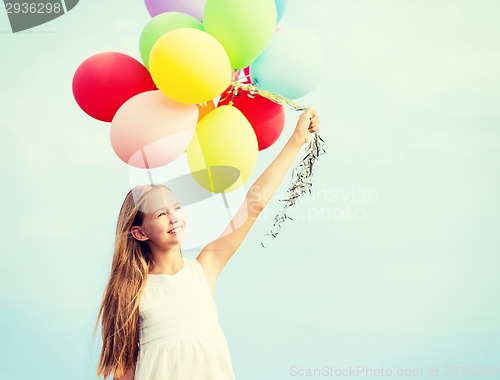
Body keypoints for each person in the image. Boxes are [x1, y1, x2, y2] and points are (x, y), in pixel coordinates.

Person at [95, 108, 321, 379]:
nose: (174, 217)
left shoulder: (205, 268)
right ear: (140, 233)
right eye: (161, 213)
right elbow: (125, 371)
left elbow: (255, 204)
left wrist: (295, 141)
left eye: (176, 207)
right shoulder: (132, 290)